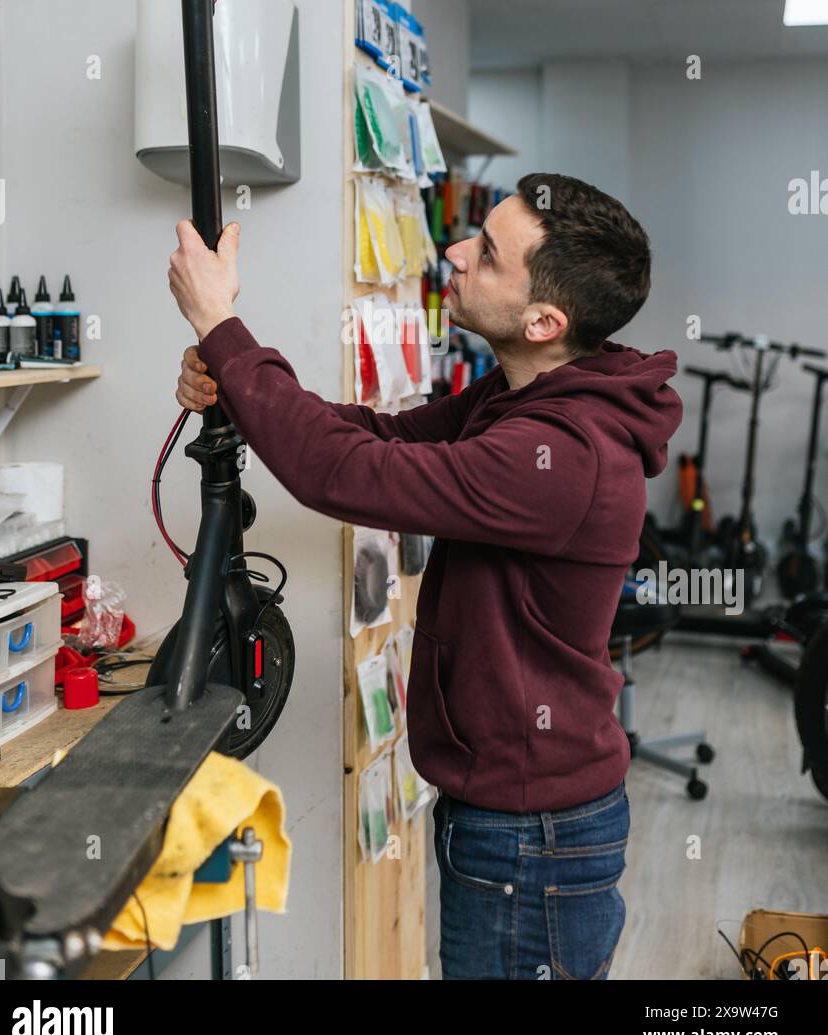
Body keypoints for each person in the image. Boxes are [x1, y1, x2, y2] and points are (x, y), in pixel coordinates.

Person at [169, 171, 683, 981]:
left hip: (530, 833)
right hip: (508, 813)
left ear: (546, 321)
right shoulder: (522, 400)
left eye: (486, 254)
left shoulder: (561, 454)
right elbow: (373, 436)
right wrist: (238, 382)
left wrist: (221, 325)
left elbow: (345, 474)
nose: (454, 251)